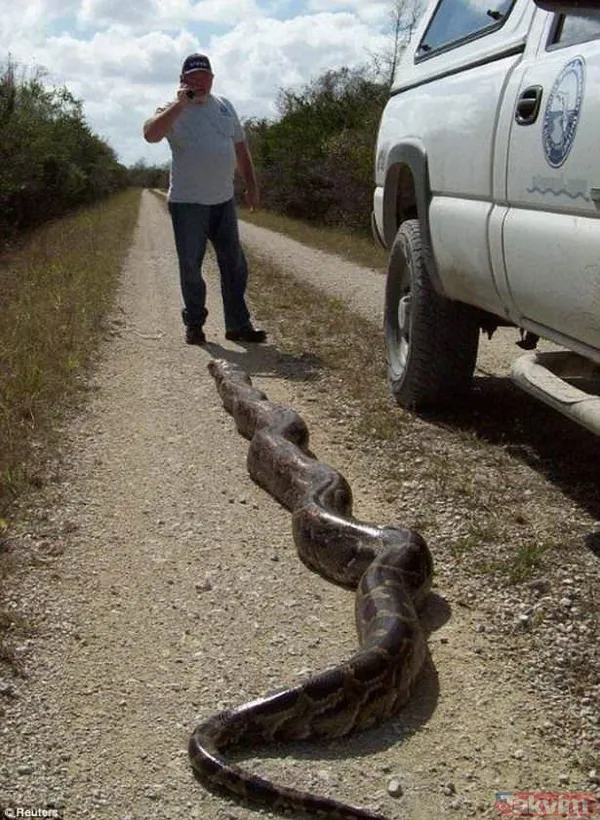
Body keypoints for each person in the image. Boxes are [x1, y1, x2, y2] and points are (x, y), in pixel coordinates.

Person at [143, 53, 266, 345]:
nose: (200, 82)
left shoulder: (224, 106)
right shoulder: (172, 109)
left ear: (212, 79)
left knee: (234, 265)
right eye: (193, 77)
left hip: (223, 200)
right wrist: (180, 105)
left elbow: (240, 148)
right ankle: (195, 324)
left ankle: (238, 325)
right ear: (182, 80)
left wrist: (251, 185)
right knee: (191, 266)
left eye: (205, 77)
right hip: (188, 203)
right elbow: (150, 134)